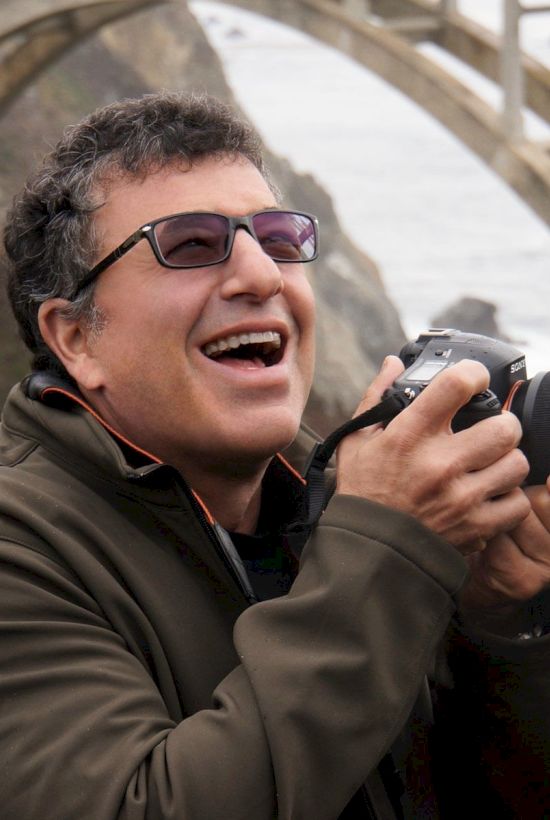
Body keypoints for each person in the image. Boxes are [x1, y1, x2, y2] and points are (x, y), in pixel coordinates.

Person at [0, 90, 548, 820]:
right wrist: (385, 547)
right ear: (74, 336)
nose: (261, 275)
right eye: (190, 245)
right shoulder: (22, 547)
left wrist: (500, 627)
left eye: (282, 239)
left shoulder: (335, 509)